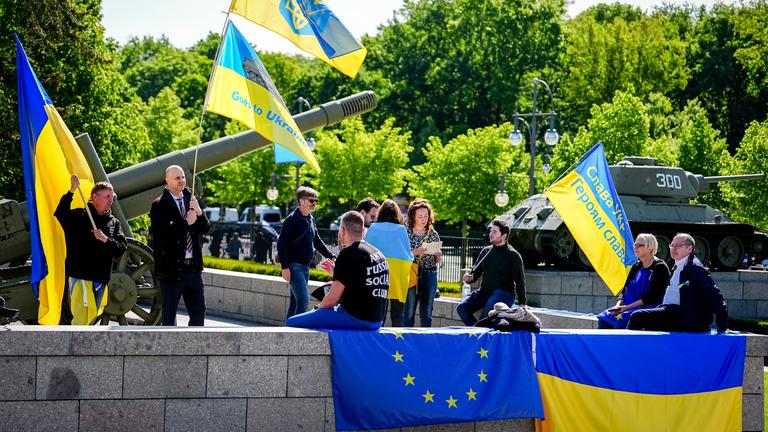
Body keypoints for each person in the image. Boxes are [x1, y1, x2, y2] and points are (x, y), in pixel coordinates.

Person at [286, 211, 388, 330]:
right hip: (377, 321)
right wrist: (335, 273)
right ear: (364, 231)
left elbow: (332, 299)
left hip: (355, 318)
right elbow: (363, 283)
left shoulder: (347, 254)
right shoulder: (379, 254)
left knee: (292, 322)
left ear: (342, 231)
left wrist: (317, 309)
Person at [54, 175, 127, 324]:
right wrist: (72, 190)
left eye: (111, 196)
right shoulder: (79, 216)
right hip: (79, 277)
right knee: (80, 320)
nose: (110, 200)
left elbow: (121, 248)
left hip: (100, 279)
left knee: (91, 319)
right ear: (94, 197)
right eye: (106, 196)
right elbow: (60, 213)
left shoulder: (114, 222)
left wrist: (106, 240)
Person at [627, 233, 729, 333]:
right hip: (671, 312)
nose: (674, 249)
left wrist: (722, 327)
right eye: (672, 245)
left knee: (637, 317)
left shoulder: (695, 269)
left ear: (689, 248)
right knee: (640, 319)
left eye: (678, 246)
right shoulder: (677, 266)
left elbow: (715, 296)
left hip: (686, 317)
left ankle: (628, 344)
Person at [149, 165, 210, 326]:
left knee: (199, 313)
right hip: (171, 270)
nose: (182, 180)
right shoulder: (159, 204)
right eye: (177, 178)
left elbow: (205, 229)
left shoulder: (191, 199)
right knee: (169, 318)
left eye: (182, 177)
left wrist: (199, 212)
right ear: (167, 180)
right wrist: (185, 223)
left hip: (193, 269)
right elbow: (162, 236)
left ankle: (193, 342)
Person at [277, 186, 336, 319]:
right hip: (294, 267)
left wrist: (331, 256)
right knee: (303, 301)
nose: (314, 203)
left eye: (316, 201)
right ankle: (298, 329)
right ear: (301, 201)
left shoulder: (310, 219)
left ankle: (288, 329)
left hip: (305, 267)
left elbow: (317, 241)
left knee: (295, 303)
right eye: (311, 200)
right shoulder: (291, 220)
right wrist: (285, 267)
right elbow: (281, 244)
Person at [457, 218, 527, 326]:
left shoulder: (513, 255)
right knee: (461, 308)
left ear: (504, 236)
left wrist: (522, 303)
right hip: (484, 291)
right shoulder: (486, 251)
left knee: (485, 317)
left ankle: (478, 332)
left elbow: (520, 281)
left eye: (494, 232)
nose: (490, 234)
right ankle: (477, 331)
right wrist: (470, 278)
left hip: (504, 293)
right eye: (490, 231)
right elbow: (476, 273)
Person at [596, 233, 670, 329]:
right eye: (635, 245)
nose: (635, 247)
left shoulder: (660, 267)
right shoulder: (636, 266)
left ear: (650, 248)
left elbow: (653, 297)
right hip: (628, 306)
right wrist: (618, 306)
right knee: (604, 318)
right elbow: (625, 290)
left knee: (625, 319)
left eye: (639, 245)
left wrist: (626, 308)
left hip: (647, 307)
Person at [364, 199, 413, 326]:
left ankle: (378, 336)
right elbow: (408, 255)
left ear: (380, 213)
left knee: (380, 313)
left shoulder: (373, 228)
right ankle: (397, 338)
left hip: (379, 272)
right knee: (397, 314)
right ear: (397, 213)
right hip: (398, 275)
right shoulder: (402, 229)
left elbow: (365, 249)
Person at [403, 199, 442, 327]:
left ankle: (425, 339)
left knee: (427, 314)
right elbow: (401, 255)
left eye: (426, 216)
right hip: (412, 274)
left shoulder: (433, 234)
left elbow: (436, 261)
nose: (423, 219)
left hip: (429, 274)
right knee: (408, 314)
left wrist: (438, 255)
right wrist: (414, 252)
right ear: (413, 216)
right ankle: (406, 338)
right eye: (420, 216)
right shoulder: (405, 232)